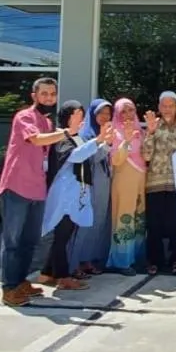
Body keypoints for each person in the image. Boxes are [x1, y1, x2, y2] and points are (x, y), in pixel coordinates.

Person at [0, 77, 77, 305]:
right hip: (17, 186)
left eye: (52, 94)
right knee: (13, 241)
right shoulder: (24, 117)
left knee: (30, 240)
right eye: (44, 94)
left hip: (37, 189)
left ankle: (20, 281)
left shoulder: (47, 122)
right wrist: (67, 132)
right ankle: (9, 288)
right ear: (34, 96)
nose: (49, 98)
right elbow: (36, 140)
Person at [38, 101, 108, 289]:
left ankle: (46, 273)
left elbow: (88, 156)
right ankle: (62, 276)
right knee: (62, 235)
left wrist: (103, 143)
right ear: (68, 116)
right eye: (78, 113)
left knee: (65, 234)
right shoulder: (62, 137)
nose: (82, 117)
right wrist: (98, 140)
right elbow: (75, 156)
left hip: (77, 193)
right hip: (64, 194)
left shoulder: (77, 137)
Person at [142, 91, 176, 274]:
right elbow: (146, 155)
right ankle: (154, 261)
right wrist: (150, 132)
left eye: (171, 106)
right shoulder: (152, 127)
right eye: (164, 106)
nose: (167, 109)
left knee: (175, 224)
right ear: (159, 108)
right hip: (154, 183)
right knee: (154, 225)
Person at [70, 98, 114, 276]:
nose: (104, 117)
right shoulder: (85, 134)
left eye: (107, 113)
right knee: (84, 223)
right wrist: (104, 143)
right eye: (100, 113)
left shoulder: (109, 132)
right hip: (88, 184)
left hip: (103, 183)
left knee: (98, 223)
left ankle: (88, 259)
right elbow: (90, 159)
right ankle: (75, 262)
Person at [106, 97, 147, 272]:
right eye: (123, 111)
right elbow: (116, 160)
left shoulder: (141, 131)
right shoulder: (114, 132)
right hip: (123, 179)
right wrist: (127, 140)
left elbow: (147, 155)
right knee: (124, 219)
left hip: (141, 179)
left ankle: (136, 257)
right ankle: (122, 261)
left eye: (131, 110)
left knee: (139, 219)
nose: (128, 114)